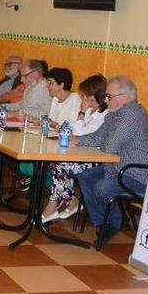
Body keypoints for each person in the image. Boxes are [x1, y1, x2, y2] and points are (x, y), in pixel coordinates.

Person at [74, 76, 148, 244]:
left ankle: (113, 222)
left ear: (123, 98)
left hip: (136, 174)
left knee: (101, 188)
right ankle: (106, 222)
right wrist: (76, 140)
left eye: (109, 96)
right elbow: (97, 138)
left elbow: (109, 147)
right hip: (116, 167)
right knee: (84, 177)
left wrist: (103, 142)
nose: (105, 100)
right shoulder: (114, 115)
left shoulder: (133, 115)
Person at [41, 74, 108, 222]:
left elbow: (80, 134)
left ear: (101, 97)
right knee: (54, 163)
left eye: (91, 99)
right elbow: (74, 131)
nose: (87, 103)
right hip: (80, 154)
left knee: (60, 166)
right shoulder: (92, 111)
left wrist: (82, 112)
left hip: (95, 160)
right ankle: (72, 202)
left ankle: (52, 206)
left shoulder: (105, 116)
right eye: (86, 99)